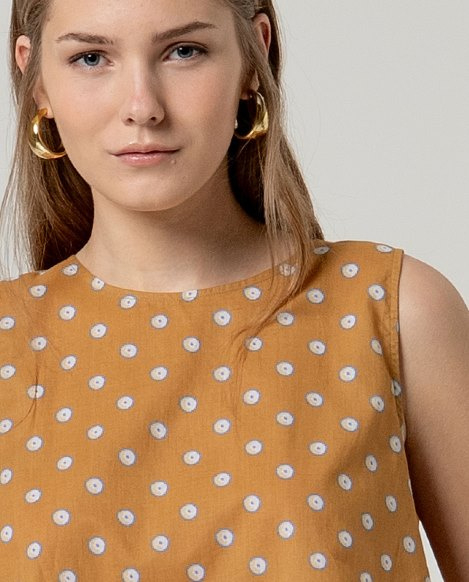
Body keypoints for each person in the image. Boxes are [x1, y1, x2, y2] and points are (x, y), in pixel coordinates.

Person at [0, 0, 467, 580]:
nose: (142, 107)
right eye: (91, 58)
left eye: (184, 51)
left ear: (253, 56)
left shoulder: (394, 311)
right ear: (36, 78)